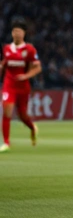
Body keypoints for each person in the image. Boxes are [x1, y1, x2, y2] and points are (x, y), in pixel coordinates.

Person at [0, 20, 41, 152]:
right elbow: (4, 64)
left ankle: (32, 127)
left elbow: (37, 67)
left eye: (19, 31)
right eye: (15, 31)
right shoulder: (6, 48)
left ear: (24, 34)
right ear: (12, 33)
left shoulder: (29, 49)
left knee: (22, 115)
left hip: (23, 87)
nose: (17, 34)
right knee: (7, 111)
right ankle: (6, 142)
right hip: (9, 85)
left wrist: (26, 76)